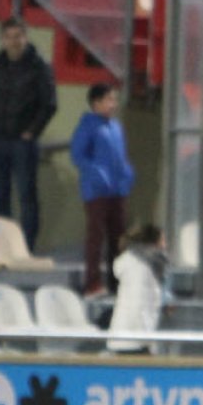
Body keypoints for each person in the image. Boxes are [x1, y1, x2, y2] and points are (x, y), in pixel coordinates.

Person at [0, 16, 58, 251]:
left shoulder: (39, 66)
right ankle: (1, 247)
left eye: (18, 37)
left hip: (23, 142)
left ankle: (26, 248)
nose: (13, 42)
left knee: (26, 196)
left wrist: (32, 132)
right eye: (9, 37)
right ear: (2, 40)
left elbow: (49, 103)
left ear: (26, 37)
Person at [70, 83, 135, 297]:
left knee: (118, 237)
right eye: (109, 100)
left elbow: (120, 156)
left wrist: (126, 173)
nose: (113, 104)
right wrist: (95, 172)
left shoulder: (115, 127)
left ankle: (117, 281)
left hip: (117, 190)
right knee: (96, 236)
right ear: (96, 103)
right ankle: (93, 282)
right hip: (97, 190)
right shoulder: (88, 126)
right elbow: (78, 154)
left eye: (114, 100)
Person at [107, 224, 167, 355]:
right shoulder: (140, 267)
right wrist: (147, 341)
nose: (164, 245)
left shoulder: (144, 264)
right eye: (162, 240)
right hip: (133, 341)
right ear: (151, 243)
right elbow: (138, 303)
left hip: (131, 337)